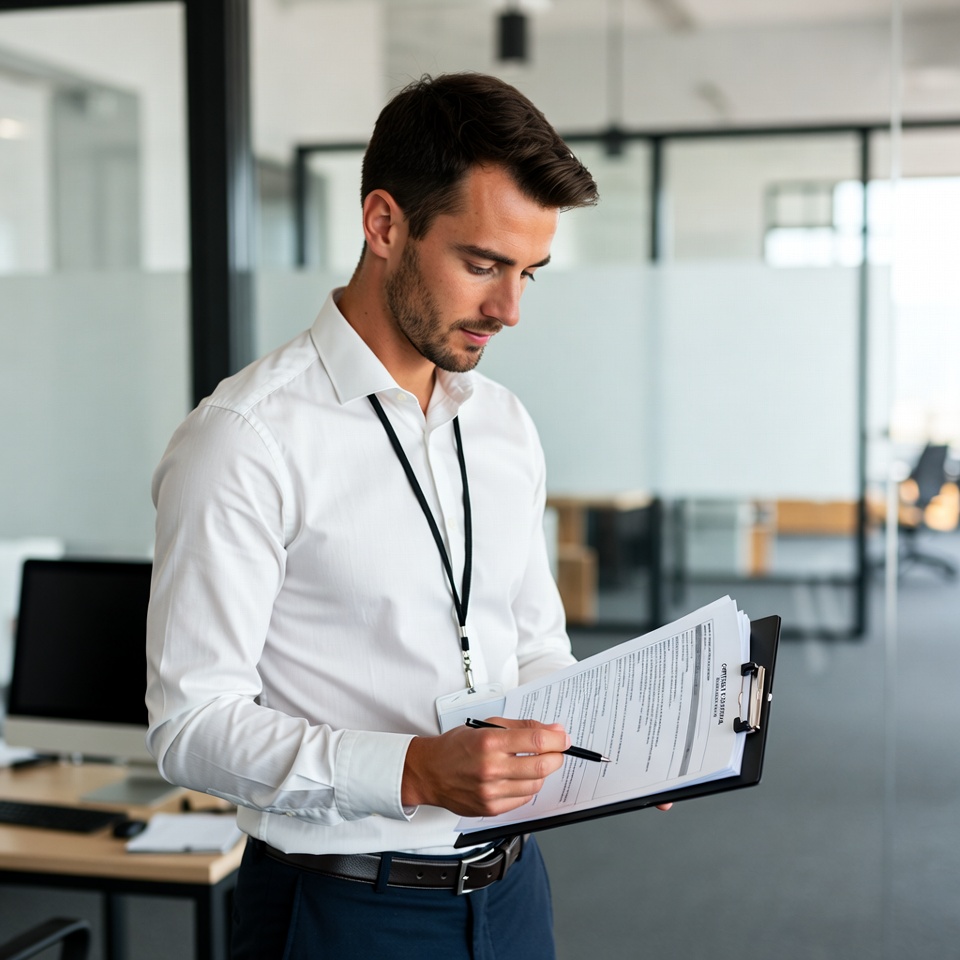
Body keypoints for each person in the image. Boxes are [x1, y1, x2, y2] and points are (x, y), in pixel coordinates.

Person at [147, 72, 606, 959]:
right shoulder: (244, 439)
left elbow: (533, 642)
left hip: (514, 894)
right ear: (385, 224)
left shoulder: (504, 425)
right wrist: (411, 768)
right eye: (481, 265)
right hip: (342, 908)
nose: (509, 310)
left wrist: (616, 737)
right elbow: (191, 727)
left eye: (528, 274)